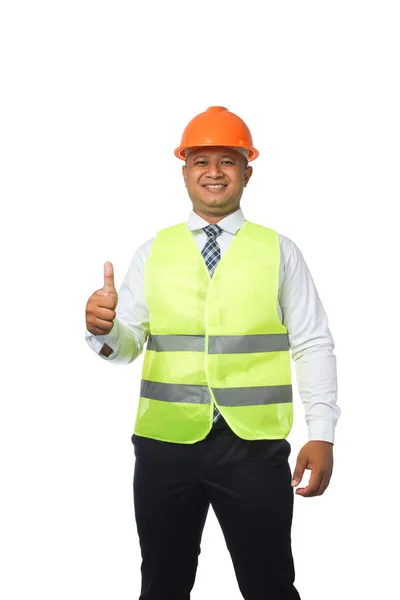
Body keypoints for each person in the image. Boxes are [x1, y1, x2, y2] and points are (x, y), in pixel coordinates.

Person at [85, 106, 340, 600]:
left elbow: (313, 342)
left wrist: (323, 432)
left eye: (227, 160)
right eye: (202, 161)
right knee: (162, 584)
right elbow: (128, 344)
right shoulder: (152, 251)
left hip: (254, 446)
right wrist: (104, 330)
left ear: (248, 170)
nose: (214, 172)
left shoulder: (279, 251)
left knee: (269, 584)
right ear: (185, 172)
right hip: (164, 444)